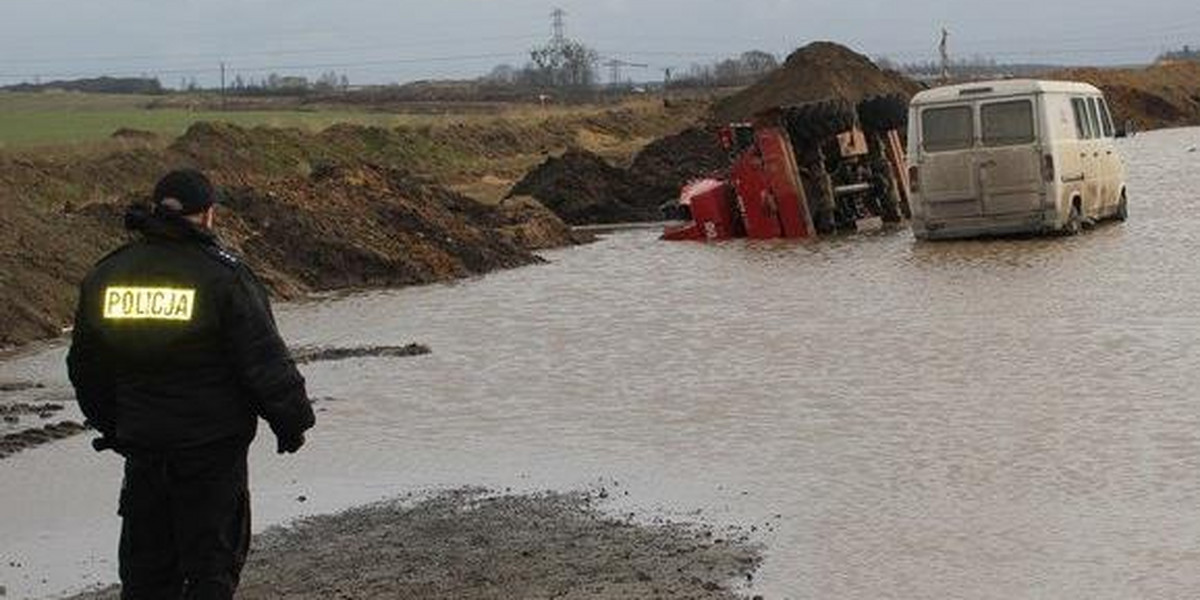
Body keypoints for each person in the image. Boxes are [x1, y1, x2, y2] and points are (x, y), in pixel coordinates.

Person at [67, 168, 315, 600]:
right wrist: (291, 423)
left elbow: (86, 368)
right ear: (208, 216)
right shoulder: (224, 276)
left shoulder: (108, 274)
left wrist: (115, 425)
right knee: (211, 567)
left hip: (143, 446)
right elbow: (263, 362)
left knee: (145, 571)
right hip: (211, 450)